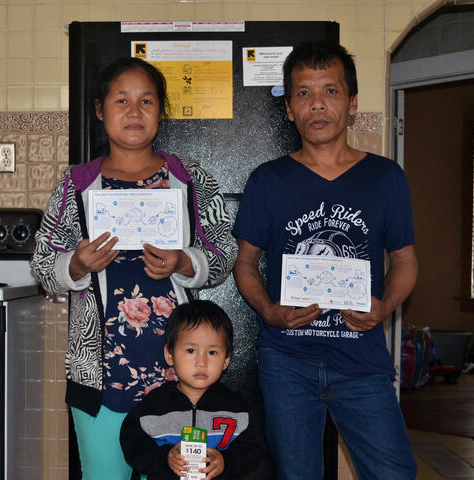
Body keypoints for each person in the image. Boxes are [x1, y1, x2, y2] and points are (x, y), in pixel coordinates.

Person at [30, 57, 237, 480]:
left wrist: (185, 261)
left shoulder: (190, 179)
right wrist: (76, 264)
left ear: (161, 111)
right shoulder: (76, 186)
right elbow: (41, 265)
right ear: (100, 110)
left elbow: (224, 252)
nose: (134, 110)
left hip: (182, 379)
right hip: (101, 379)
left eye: (146, 100)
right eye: (121, 99)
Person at [232, 41, 418, 479]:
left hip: (362, 362)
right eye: (303, 93)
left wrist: (385, 307)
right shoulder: (268, 180)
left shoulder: (385, 178)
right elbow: (245, 264)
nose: (317, 104)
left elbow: (406, 260)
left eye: (331, 91)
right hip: (287, 362)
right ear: (290, 110)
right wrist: (269, 310)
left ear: (352, 104)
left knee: (394, 473)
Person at [120, 300, 261, 480]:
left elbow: (254, 449)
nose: (201, 362)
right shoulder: (153, 405)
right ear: (169, 355)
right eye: (191, 350)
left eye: (212, 352)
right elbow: (133, 445)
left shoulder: (238, 408)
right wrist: (164, 458)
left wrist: (226, 461)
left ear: (226, 360)